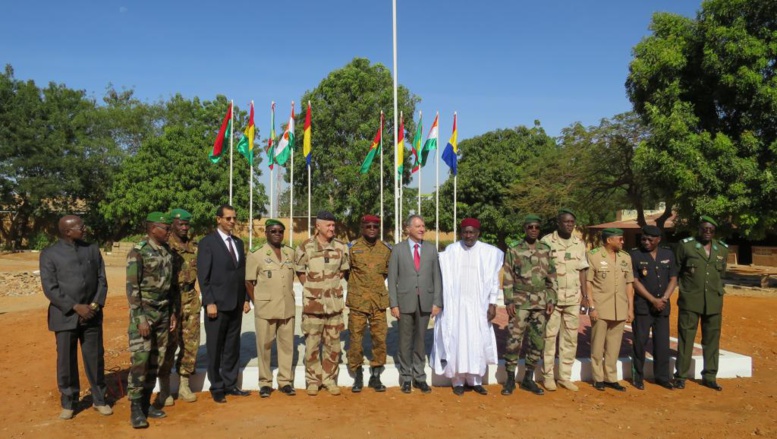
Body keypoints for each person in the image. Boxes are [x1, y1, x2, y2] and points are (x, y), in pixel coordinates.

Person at [40, 215, 112, 420]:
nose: (85, 229)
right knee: (66, 362)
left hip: (92, 314)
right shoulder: (50, 254)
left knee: (95, 358)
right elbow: (50, 287)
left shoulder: (92, 249)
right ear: (67, 231)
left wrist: (94, 305)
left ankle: (100, 399)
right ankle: (69, 402)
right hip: (65, 316)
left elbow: (102, 280)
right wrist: (74, 307)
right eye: (81, 227)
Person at [432, 218, 503, 396]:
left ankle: (475, 380)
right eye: (465, 232)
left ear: (478, 233)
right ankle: (457, 381)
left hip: (479, 306)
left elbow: (494, 281)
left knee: (476, 342)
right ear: (461, 233)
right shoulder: (451, 250)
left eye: (472, 232)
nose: (468, 236)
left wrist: (492, 303)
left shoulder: (489, 253)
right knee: (456, 342)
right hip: (455, 306)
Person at [126, 212, 178, 428]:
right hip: (145, 314)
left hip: (163, 313)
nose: (169, 232)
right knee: (141, 360)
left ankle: (147, 404)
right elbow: (132, 289)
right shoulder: (138, 252)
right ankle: (136, 408)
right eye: (166, 228)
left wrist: (172, 312)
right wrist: (140, 319)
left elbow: (171, 287)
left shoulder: (167, 251)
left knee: (157, 359)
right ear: (152, 228)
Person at [197, 204, 251, 403]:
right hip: (216, 306)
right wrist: (209, 301)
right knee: (215, 347)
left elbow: (241, 273)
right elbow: (203, 276)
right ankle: (217, 386)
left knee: (232, 346)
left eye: (234, 218)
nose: (232, 221)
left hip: (236, 304)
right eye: (228, 218)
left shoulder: (238, 243)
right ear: (218, 219)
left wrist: (246, 299)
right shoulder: (207, 243)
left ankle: (230, 383)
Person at [295, 211, 350, 396]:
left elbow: (342, 271)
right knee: (312, 346)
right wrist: (313, 289)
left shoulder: (341, 247)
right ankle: (313, 380)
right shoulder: (305, 247)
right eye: (328, 225)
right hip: (313, 306)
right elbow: (300, 271)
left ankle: (329, 379)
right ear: (318, 226)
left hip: (334, 306)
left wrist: (329, 288)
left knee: (333, 346)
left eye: (333, 225)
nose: (332, 228)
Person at [501, 214, 556, 396]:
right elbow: (507, 276)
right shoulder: (514, 249)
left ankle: (528, 378)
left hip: (540, 302)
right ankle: (510, 379)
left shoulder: (546, 249)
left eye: (536, 227)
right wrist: (509, 300)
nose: (533, 230)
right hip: (520, 302)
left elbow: (552, 277)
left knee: (537, 341)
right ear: (524, 228)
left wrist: (551, 299)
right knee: (513, 340)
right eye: (530, 227)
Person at [388, 215, 443, 394]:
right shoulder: (398, 250)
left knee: (420, 341)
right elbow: (392, 279)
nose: (422, 229)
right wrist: (394, 304)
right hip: (405, 302)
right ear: (408, 229)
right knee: (405, 342)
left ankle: (419, 377)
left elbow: (437, 277)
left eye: (423, 226)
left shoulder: (431, 249)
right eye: (418, 226)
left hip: (425, 302)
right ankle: (406, 377)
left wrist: (437, 301)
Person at [674, 216, 728, 391]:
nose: (707, 232)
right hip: (690, 300)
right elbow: (677, 270)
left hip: (713, 301)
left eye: (711, 230)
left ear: (715, 232)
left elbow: (721, 274)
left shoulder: (721, 249)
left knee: (712, 339)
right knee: (686, 338)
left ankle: (710, 376)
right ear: (699, 229)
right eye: (704, 229)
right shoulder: (686, 246)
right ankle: (680, 376)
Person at [246, 219, 297, 398]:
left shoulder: (290, 253)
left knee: (287, 346)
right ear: (266, 233)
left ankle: (285, 381)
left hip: (286, 307)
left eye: (280, 231)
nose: (277, 234)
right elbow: (249, 281)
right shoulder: (256, 254)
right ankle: (265, 382)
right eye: (273, 231)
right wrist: (257, 301)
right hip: (265, 308)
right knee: (264, 346)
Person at [541, 209, 588, 392]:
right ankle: (548, 376)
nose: (569, 225)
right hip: (552, 299)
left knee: (570, 339)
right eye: (566, 222)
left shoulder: (579, 243)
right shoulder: (547, 242)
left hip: (573, 299)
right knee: (549, 338)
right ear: (558, 223)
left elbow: (582, 270)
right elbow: (541, 271)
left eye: (572, 222)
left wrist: (585, 296)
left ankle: (565, 377)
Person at [157, 208, 200, 406]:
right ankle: (164, 387)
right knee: (168, 344)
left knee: (190, 343)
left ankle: (184, 384)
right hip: (170, 299)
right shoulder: (165, 245)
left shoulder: (194, 245)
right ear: (172, 225)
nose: (184, 227)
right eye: (180, 224)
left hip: (190, 297)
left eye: (186, 224)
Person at [345, 214, 391, 393]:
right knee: (355, 340)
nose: (372, 229)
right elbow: (347, 272)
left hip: (378, 302)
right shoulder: (352, 248)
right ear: (362, 228)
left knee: (380, 339)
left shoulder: (386, 250)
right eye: (368, 226)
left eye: (375, 227)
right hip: (358, 302)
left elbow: (385, 273)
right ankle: (357, 374)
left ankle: (376, 375)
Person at [629, 225, 677, 390]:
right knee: (640, 343)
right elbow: (635, 281)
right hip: (643, 306)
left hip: (662, 306)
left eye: (650, 239)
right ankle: (638, 377)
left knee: (662, 343)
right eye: (643, 239)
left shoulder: (668, 254)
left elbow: (673, 278)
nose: (646, 242)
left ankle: (662, 377)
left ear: (658, 239)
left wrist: (664, 299)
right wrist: (652, 300)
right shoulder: (635, 255)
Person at [586, 227, 634, 392]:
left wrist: (630, 308)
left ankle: (611, 378)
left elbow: (629, 284)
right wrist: (591, 306)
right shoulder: (593, 256)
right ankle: (598, 378)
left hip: (619, 307)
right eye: (620, 239)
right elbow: (588, 283)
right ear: (609, 240)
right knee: (597, 346)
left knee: (614, 347)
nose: (622, 241)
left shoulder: (625, 257)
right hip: (600, 307)